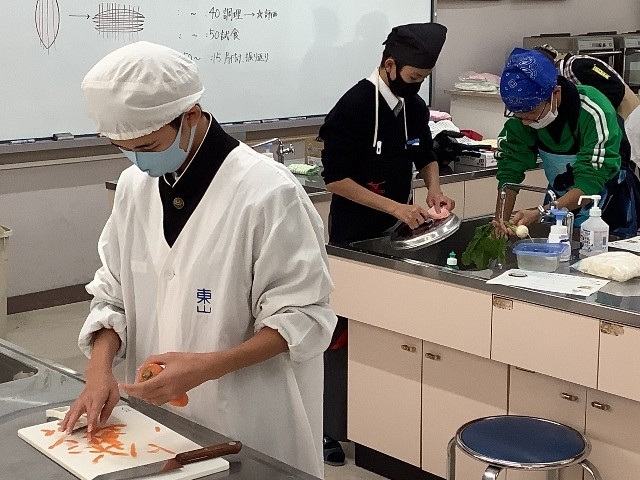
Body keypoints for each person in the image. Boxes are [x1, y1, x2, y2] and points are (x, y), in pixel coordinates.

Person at [59, 41, 337, 479]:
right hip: (159, 425)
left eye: (148, 145)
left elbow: (303, 317)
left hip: (248, 419)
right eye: (123, 148)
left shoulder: (268, 193)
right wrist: (99, 369)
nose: (138, 160)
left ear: (190, 115)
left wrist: (207, 366)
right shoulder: (134, 188)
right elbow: (113, 295)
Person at [318, 22, 452, 465]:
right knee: (344, 330)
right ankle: (328, 426)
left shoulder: (413, 105)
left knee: (388, 331)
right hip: (354, 238)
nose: (417, 86)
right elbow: (335, 179)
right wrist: (395, 207)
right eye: (413, 77)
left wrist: (433, 191)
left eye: (424, 79)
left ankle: (377, 421)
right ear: (390, 65)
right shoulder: (355, 106)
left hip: (398, 236)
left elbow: (424, 154)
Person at [495, 48, 639, 238]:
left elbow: (589, 183)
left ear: (555, 93)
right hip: (559, 200)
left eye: (531, 113)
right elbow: (509, 172)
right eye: (518, 115)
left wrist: (541, 212)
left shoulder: (593, 110)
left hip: (608, 204)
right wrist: (501, 222)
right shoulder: (522, 118)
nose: (525, 122)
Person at [535, 44, 640, 177]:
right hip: (611, 123)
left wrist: (600, 117)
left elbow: (615, 89)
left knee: (622, 165)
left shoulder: (578, 66)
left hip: (625, 116)